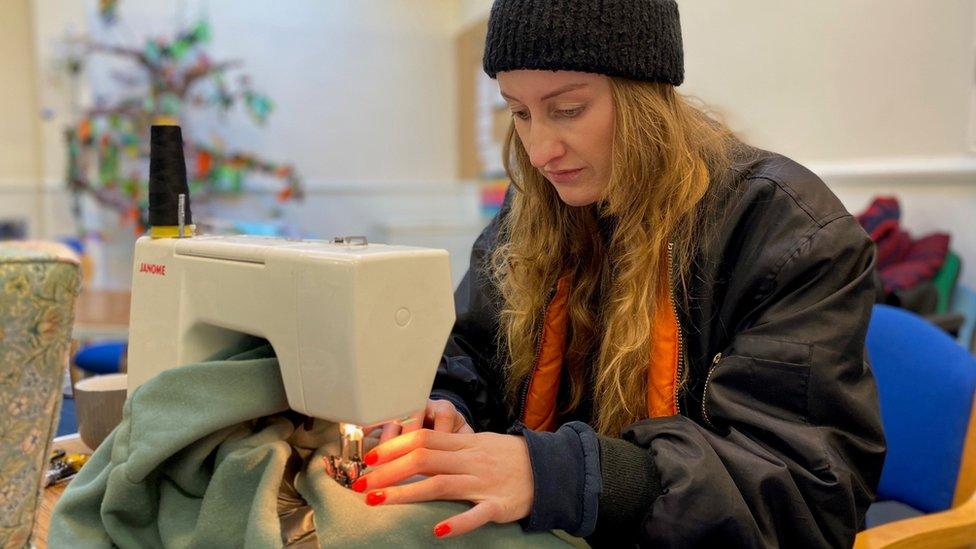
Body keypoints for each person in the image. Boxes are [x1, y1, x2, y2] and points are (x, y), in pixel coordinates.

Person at [353, 0, 886, 546]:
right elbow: (473, 352)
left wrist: (560, 475)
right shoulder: (535, 210)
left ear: (643, 98)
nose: (538, 151)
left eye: (566, 110)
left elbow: (801, 495)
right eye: (519, 112)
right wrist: (447, 409)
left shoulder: (788, 234)